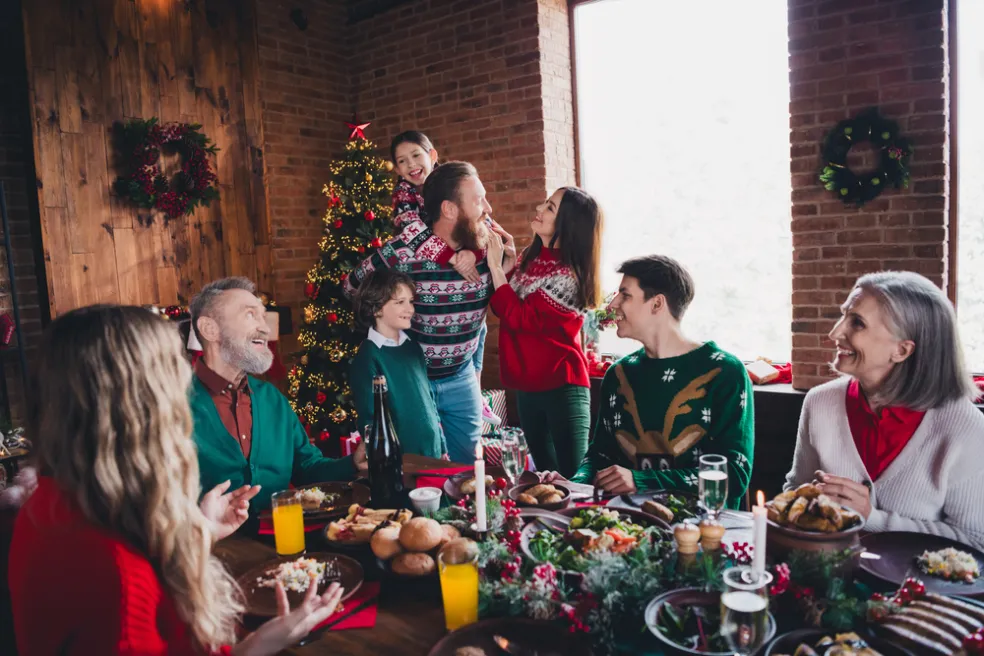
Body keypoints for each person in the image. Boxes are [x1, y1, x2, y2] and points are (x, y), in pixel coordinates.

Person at [9, 305, 347, 655]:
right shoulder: (118, 574)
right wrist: (259, 645)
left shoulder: (51, 503)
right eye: (174, 377)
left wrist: (200, 529)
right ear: (144, 407)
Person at [784, 271, 984, 549]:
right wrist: (807, 501)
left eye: (857, 323)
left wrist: (871, 518)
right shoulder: (820, 402)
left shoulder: (965, 428)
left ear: (902, 351)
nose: (835, 333)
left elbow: (976, 541)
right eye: (844, 315)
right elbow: (793, 496)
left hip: (921, 592)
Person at [541, 255, 754, 508]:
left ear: (657, 304)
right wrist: (573, 484)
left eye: (625, 295)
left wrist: (641, 480)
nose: (614, 304)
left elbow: (733, 475)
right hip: (628, 528)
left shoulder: (725, 372)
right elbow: (600, 456)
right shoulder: (619, 374)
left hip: (705, 531)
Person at [346, 161, 517, 463]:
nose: (488, 208)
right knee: (420, 470)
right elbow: (351, 285)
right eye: (478, 200)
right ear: (449, 209)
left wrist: (505, 263)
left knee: (467, 472)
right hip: (412, 380)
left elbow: (505, 305)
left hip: (462, 378)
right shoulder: (402, 251)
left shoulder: (491, 249)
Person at [189, 277, 366, 521]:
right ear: (210, 329)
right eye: (250, 315)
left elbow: (307, 468)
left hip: (285, 547)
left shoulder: (272, 398)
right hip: (207, 552)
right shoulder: (173, 404)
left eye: (263, 316)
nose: (265, 328)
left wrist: (352, 464)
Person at [486, 187, 603, 477]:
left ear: (568, 222)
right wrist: (509, 264)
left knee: (573, 477)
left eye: (550, 207)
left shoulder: (570, 274)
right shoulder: (531, 256)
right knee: (544, 478)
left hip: (562, 385)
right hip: (526, 385)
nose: (540, 208)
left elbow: (520, 317)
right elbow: (501, 308)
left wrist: (495, 268)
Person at [390, 130, 501, 428]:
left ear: (433, 156)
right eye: (402, 161)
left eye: (416, 155)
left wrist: (472, 253)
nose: (411, 165)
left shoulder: (456, 184)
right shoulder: (404, 195)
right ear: (397, 170)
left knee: (478, 333)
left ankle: (476, 393)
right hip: (430, 277)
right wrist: (451, 256)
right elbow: (411, 231)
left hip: (464, 339)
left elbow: (486, 227)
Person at [350, 268, 446, 458]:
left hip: (433, 454)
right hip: (400, 461)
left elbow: (429, 401)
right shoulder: (368, 357)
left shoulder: (413, 348)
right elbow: (370, 419)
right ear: (376, 308)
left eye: (410, 302)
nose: (410, 309)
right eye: (400, 302)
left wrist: (442, 446)